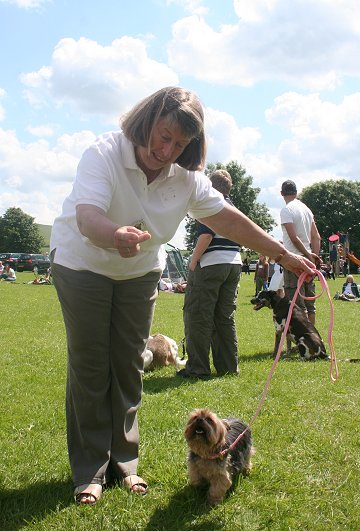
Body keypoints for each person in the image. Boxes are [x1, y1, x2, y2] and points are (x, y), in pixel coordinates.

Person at [50, 86, 316, 506]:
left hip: (139, 271)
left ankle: (125, 464)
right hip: (83, 264)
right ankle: (90, 472)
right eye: (163, 135)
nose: (167, 149)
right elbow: (87, 217)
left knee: (127, 365)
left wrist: (283, 254)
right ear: (145, 122)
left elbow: (230, 219)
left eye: (180, 143)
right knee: (90, 366)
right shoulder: (104, 153)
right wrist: (114, 234)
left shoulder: (186, 178)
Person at [180, 169, 242, 379]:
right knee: (224, 317)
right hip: (234, 263)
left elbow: (206, 234)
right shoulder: (234, 207)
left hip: (211, 264)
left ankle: (197, 368)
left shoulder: (211, 203)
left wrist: (193, 260)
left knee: (198, 315)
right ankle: (228, 366)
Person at [280, 180, 321, 325]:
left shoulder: (286, 210)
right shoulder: (306, 209)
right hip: (309, 259)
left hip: (293, 260)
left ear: (282, 194)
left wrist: (309, 255)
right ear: (296, 193)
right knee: (310, 305)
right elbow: (316, 237)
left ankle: (304, 340)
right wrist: (313, 258)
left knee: (297, 304)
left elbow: (293, 238)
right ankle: (314, 339)